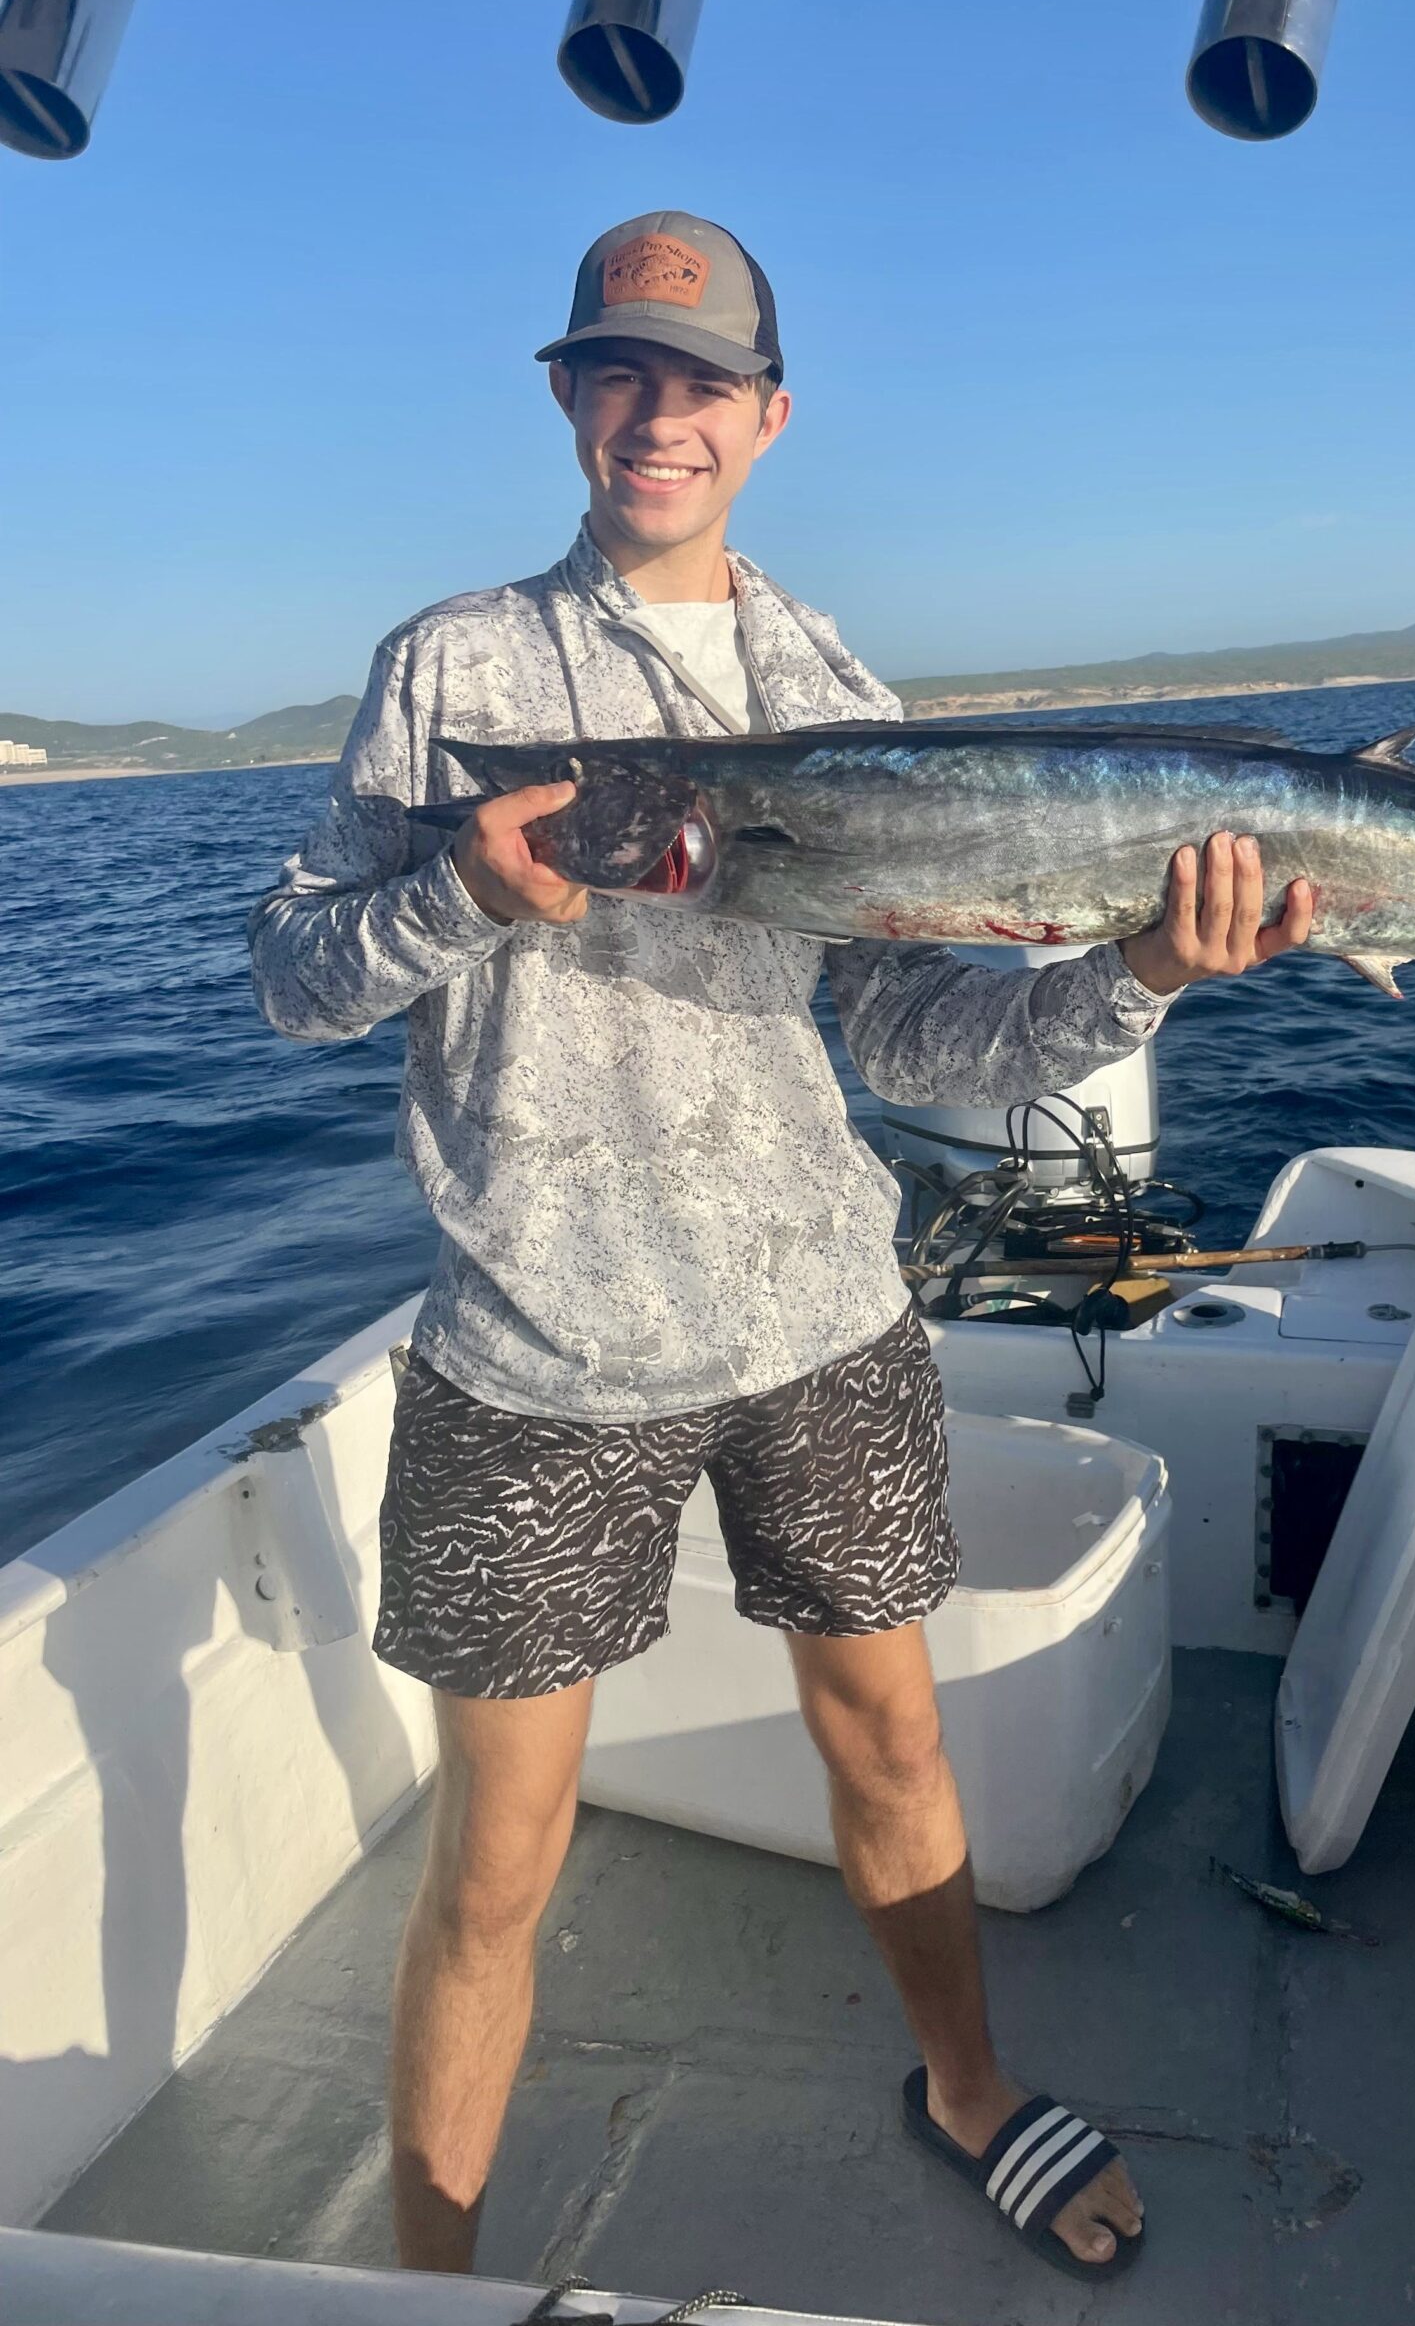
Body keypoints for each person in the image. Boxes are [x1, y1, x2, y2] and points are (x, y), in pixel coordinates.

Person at [249, 210, 1313, 2284]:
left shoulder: (835, 682)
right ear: (567, 396)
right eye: (619, 372)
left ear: (768, 414)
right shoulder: (450, 669)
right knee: (499, 1856)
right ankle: (428, 2270)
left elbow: (918, 1023)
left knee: (897, 1741)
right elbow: (296, 980)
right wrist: (462, 895)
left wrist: (1143, 976)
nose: (661, 414)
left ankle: (969, 2086)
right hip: (534, 1353)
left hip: (820, 1314)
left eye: (703, 380)